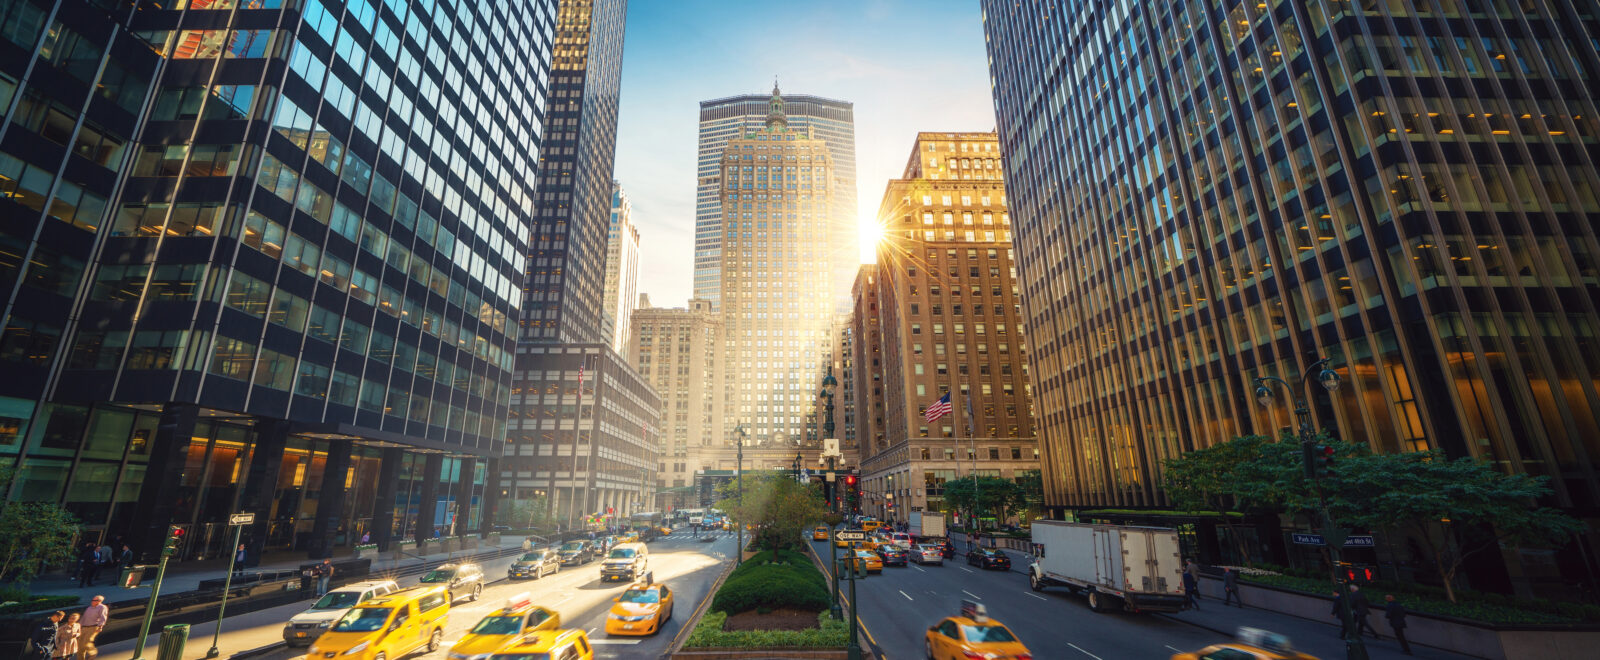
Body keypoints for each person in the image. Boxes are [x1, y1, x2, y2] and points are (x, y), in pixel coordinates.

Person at [79, 595, 108, 660]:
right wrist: (79, 626)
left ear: (99, 601)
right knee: (80, 646)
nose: (92, 601)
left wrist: (100, 626)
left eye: (94, 600)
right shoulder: (89, 608)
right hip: (84, 627)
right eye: (92, 600)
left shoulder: (102, 607)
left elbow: (103, 617)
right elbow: (84, 617)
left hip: (93, 627)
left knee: (86, 643)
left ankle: (93, 653)